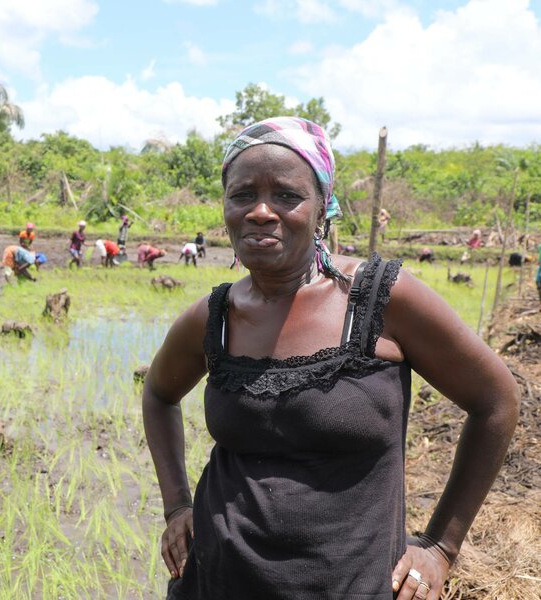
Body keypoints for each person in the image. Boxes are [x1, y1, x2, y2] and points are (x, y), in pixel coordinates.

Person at [143, 117, 519, 600]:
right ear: (225, 209)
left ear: (323, 207)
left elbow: (497, 401)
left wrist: (441, 547)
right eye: (242, 195)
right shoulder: (214, 316)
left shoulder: (382, 300)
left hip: (350, 586)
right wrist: (177, 506)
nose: (260, 211)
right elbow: (157, 394)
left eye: (286, 195)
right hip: (216, 579)